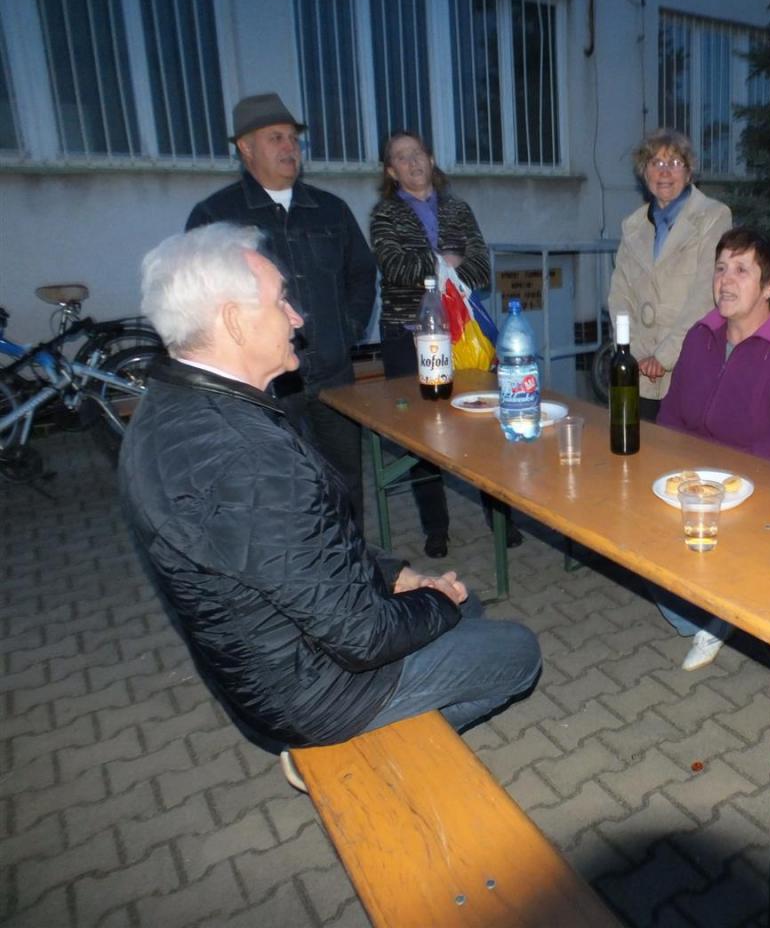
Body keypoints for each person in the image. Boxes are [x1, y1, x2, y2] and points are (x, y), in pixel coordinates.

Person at [118, 223, 542, 764]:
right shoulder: (246, 458)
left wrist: (396, 575)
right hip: (315, 694)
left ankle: (407, 711)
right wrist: (436, 599)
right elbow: (363, 637)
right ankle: (359, 763)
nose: (297, 317)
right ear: (234, 322)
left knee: (467, 607)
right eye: (281, 301)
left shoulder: (170, 405)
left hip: (268, 660)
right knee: (516, 651)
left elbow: (295, 550)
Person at [186, 92, 377, 526]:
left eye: (293, 138)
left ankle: (351, 559)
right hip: (266, 386)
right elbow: (204, 299)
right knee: (280, 487)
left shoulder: (330, 209)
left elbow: (362, 274)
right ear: (245, 147)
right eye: (276, 138)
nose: (290, 147)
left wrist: (347, 328)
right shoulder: (215, 217)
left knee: (346, 480)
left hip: (332, 375)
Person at [657, 227, 770, 670]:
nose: (725, 281)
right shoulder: (701, 336)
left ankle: (733, 603)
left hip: (764, 493)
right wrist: (674, 477)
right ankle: (718, 603)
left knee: (684, 584)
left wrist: (715, 492)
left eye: (741, 271)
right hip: (697, 486)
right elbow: (671, 418)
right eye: (720, 269)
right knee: (649, 562)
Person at [370, 130, 520, 558]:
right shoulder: (384, 215)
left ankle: (501, 517)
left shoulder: (458, 209)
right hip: (408, 335)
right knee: (421, 434)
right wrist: (445, 262)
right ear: (391, 171)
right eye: (402, 157)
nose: (413, 162)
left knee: (485, 425)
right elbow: (394, 266)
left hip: (464, 337)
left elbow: (481, 266)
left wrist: (445, 267)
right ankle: (436, 527)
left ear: (431, 159)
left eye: (418, 153)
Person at [608, 129, 733, 420]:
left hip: (688, 362)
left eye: (675, 163)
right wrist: (631, 352)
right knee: (635, 441)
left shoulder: (713, 216)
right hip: (638, 365)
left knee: (681, 445)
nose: (665, 172)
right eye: (656, 163)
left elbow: (706, 294)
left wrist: (664, 356)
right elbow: (619, 295)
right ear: (644, 172)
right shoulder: (632, 226)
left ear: (688, 173)